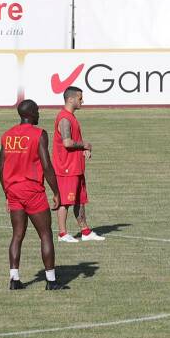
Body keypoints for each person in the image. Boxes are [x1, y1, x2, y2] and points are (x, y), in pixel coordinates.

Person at [0, 99, 63, 290]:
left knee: (17, 235)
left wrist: (6, 194)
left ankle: (14, 279)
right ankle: (51, 281)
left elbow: (1, 168)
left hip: (13, 190)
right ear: (30, 114)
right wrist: (57, 192)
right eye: (37, 110)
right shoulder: (39, 134)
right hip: (32, 190)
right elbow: (46, 165)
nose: (39, 113)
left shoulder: (7, 135)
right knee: (45, 234)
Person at [53, 86, 104, 243]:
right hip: (66, 168)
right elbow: (67, 143)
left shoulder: (71, 117)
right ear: (71, 99)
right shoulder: (64, 118)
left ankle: (85, 231)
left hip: (76, 167)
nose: (82, 101)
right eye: (80, 98)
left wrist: (83, 150)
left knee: (79, 200)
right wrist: (85, 145)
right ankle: (62, 233)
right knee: (65, 201)